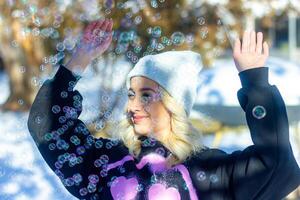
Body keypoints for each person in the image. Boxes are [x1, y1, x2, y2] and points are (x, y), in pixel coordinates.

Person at [27, 18, 300, 200]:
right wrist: (77, 61)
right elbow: (47, 127)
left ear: (174, 104)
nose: (132, 105)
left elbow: (278, 166)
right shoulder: (107, 163)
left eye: (146, 95)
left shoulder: (211, 171)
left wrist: (255, 82)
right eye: (131, 94)